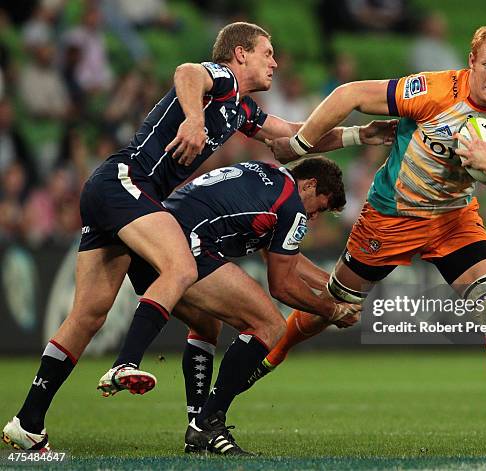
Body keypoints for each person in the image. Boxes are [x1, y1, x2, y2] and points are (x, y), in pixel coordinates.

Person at [2, 21, 394, 453]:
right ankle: (127, 365)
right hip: (127, 182)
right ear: (240, 54)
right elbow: (187, 71)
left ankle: (28, 421)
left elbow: (294, 137)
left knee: (90, 315)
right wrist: (192, 117)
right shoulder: (221, 79)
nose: (275, 62)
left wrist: (361, 134)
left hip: (112, 194)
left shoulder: (243, 111)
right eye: (267, 52)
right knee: (183, 266)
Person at [268, 23, 486, 453]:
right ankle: (275, 351)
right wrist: (302, 143)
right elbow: (348, 95)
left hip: (454, 220)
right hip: (392, 217)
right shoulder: (434, 90)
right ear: (471, 62)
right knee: (333, 305)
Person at [96, 156, 360, 455]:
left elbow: (283, 255)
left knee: (206, 325)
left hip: (152, 236)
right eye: (320, 208)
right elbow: (282, 285)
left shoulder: (269, 178)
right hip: (187, 245)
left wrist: (333, 286)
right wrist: (332, 311)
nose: (313, 217)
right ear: (310, 185)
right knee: (270, 325)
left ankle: (195, 426)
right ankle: (209, 421)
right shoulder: (292, 206)